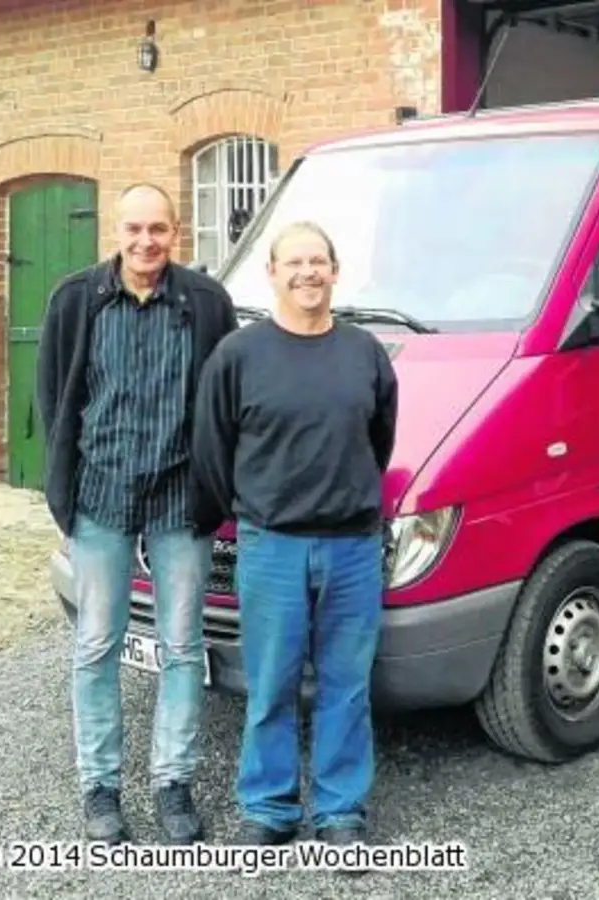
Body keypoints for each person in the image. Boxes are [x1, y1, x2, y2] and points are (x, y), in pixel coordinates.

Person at [35, 182, 238, 845]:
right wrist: (60, 490)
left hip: (181, 496)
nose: (145, 241)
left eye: (158, 229)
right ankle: (101, 788)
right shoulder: (75, 301)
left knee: (182, 647)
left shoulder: (206, 303)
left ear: (174, 232)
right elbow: (54, 396)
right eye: (133, 229)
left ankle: (172, 784)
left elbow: (226, 400)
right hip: (101, 494)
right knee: (96, 645)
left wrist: (222, 482)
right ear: (115, 232)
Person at [191, 221, 399, 853]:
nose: (307, 273)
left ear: (335, 272)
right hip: (272, 547)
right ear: (272, 274)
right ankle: (270, 808)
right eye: (294, 263)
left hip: (351, 548)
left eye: (318, 262)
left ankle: (340, 814)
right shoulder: (239, 355)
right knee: (271, 683)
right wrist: (256, 509)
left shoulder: (365, 352)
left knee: (346, 685)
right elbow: (211, 448)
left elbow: (379, 439)